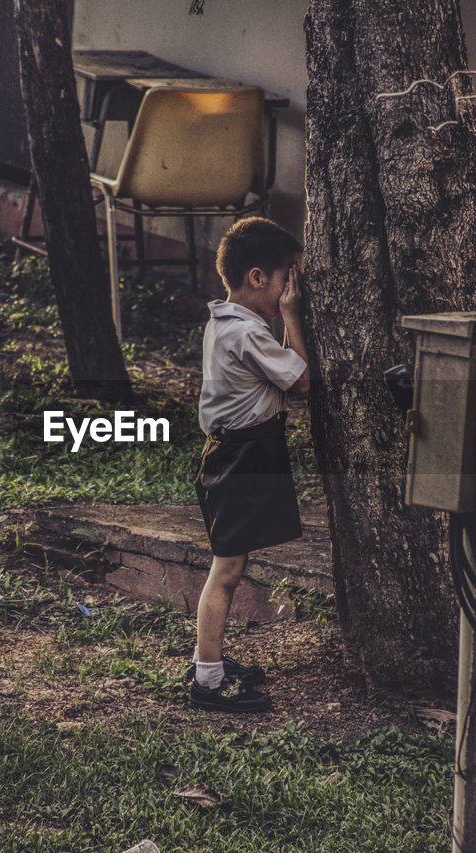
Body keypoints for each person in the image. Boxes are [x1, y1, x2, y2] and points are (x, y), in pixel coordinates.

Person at [187, 217, 310, 713]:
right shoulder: (247, 333)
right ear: (258, 278)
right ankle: (207, 681)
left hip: (237, 451)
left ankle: (208, 661)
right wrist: (294, 318)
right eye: (285, 278)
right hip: (241, 456)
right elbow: (300, 383)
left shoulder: (229, 323)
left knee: (230, 565)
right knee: (229, 570)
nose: (287, 290)